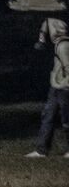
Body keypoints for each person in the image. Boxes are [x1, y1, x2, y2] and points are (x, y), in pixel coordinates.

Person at [27, 15, 69, 158]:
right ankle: (41, 149)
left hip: (64, 87)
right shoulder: (60, 44)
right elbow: (46, 24)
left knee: (66, 119)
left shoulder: (63, 46)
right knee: (48, 116)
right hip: (56, 86)